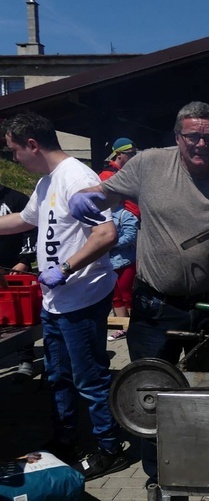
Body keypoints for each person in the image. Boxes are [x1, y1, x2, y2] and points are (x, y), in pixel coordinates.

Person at [67, 101, 209, 487]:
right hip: (156, 305)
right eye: (193, 136)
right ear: (178, 137)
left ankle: (207, 466)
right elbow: (104, 193)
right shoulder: (149, 164)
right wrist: (83, 198)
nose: (201, 144)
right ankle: (157, 475)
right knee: (151, 396)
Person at [0, 111, 127, 480]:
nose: (13, 159)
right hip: (55, 302)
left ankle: (109, 446)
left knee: (89, 379)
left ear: (32, 145)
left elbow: (106, 234)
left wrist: (66, 268)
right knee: (57, 377)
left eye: (13, 151)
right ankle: (65, 440)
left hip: (81, 299)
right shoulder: (46, 182)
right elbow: (26, 219)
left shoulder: (77, 178)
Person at [0, 183, 38, 382]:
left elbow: (31, 231)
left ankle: (26, 359)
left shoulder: (17, 199)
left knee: (20, 317)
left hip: (15, 269)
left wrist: (24, 261)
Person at [106, 203, 138, 341]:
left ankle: (135, 327)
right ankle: (123, 328)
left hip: (126, 262)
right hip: (109, 264)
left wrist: (111, 243)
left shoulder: (125, 214)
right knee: (115, 297)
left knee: (127, 294)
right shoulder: (102, 216)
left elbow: (131, 236)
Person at [100, 137, 140, 220]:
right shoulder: (107, 174)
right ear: (119, 154)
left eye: (135, 154)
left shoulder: (131, 172)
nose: (134, 158)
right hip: (121, 221)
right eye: (131, 154)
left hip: (134, 218)